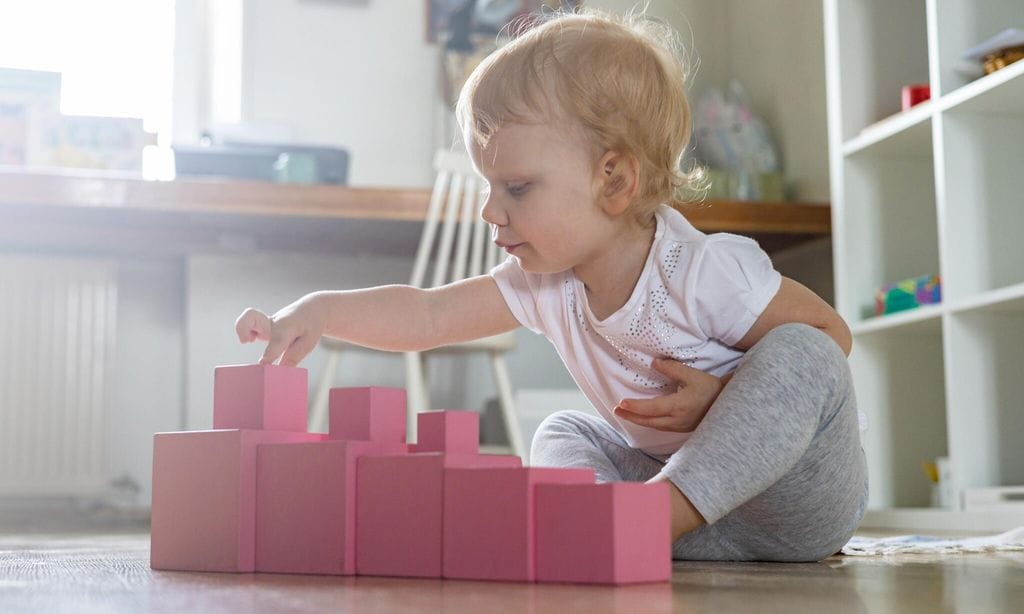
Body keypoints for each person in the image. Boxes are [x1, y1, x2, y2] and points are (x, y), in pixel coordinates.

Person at [235, 8, 867, 562]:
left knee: (803, 356)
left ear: (613, 181)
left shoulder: (703, 271)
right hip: (683, 518)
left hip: (794, 505)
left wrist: (722, 399)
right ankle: (601, 527)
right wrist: (319, 310)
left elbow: (830, 337)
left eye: (517, 188)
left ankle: (645, 521)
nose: (490, 210)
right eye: (488, 186)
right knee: (562, 432)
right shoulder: (545, 284)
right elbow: (427, 317)